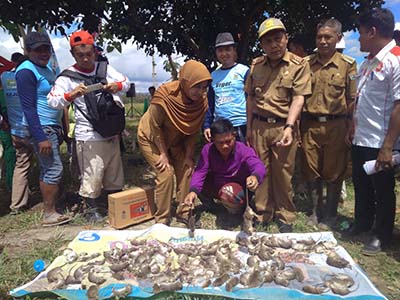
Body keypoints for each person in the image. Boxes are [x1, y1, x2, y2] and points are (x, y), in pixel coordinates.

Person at [47, 30, 130, 222]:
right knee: (92, 174)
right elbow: (52, 101)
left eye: (89, 54)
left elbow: (125, 82)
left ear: (95, 52)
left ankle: (112, 206)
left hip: (111, 131)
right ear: (73, 54)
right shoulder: (67, 77)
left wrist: (116, 86)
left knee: (114, 174)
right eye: (80, 55)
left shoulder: (104, 69)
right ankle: (90, 210)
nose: (85, 59)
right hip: (88, 136)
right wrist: (71, 95)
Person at [245, 18, 311, 233]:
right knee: (260, 171)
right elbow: (250, 99)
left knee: (283, 173)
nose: (274, 45)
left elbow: (298, 98)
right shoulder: (256, 66)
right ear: (262, 45)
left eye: (277, 39)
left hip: (284, 126)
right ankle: (263, 212)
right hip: (259, 127)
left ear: (286, 38)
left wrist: (290, 127)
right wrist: (249, 128)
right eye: (268, 41)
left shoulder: (299, 65)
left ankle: (286, 216)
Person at [346, 8, 400, 255]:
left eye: (360, 33)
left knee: (383, 189)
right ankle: (362, 223)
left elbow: (399, 105)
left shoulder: (395, 60)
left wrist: (388, 146)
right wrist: (352, 127)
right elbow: (360, 99)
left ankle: (381, 234)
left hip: (381, 140)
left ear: (373, 31)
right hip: (361, 137)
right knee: (361, 184)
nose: (358, 39)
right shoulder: (368, 62)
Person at [137, 60, 211, 225]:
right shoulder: (165, 95)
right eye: (196, 86)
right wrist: (163, 154)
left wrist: (189, 156)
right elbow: (155, 127)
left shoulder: (201, 102)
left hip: (176, 139)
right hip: (151, 138)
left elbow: (193, 132)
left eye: (203, 88)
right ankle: (162, 219)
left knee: (187, 168)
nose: (199, 92)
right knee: (166, 173)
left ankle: (184, 212)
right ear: (185, 82)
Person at [301, 19, 357, 228]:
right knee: (311, 169)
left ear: (338, 39)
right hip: (309, 125)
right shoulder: (306, 64)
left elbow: (352, 99)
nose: (323, 41)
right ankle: (315, 212)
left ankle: (330, 214)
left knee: (334, 171)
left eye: (328, 37)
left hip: (336, 125)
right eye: (319, 37)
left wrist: (351, 127)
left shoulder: (348, 65)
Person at [16, 32, 72, 226]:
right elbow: (28, 108)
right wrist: (40, 137)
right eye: (38, 49)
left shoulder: (46, 69)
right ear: (28, 51)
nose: (43, 53)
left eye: (46, 49)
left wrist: (63, 130)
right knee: (52, 168)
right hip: (41, 127)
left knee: (53, 167)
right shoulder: (26, 71)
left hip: (52, 126)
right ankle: (49, 213)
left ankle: (55, 205)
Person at [184, 119, 266, 217]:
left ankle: (238, 209)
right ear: (213, 140)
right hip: (218, 184)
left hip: (237, 188)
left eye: (228, 141)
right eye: (220, 143)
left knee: (229, 193)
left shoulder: (243, 150)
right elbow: (200, 172)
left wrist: (255, 176)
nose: (225, 146)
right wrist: (193, 191)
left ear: (234, 137)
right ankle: (211, 206)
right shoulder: (207, 150)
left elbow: (258, 165)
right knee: (194, 177)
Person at [1, 52, 34, 214]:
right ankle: (53, 200)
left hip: (15, 129)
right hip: (33, 129)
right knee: (51, 165)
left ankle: (17, 204)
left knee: (21, 165)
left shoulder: (6, 78)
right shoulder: (29, 77)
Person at [203, 32, 249, 143]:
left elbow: (251, 99)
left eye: (228, 49)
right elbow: (210, 103)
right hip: (220, 129)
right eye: (220, 50)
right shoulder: (213, 76)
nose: (224, 53)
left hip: (242, 126)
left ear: (234, 50)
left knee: (244, 159)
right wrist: (207, 125)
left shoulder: (244, 71)